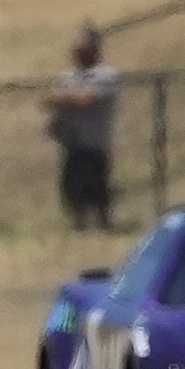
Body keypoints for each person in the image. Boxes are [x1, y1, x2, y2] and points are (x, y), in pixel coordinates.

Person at [43, 26, 117, 231]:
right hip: (71, 143)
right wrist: (70, 98)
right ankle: (79, 227)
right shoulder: (69, 76)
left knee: (96, 187)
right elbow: (48, 99)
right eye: (75, 50)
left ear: (95, 50)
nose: (77, 54)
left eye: (82, 50)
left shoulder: (105, 75)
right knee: (73, 187)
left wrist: (65, 98)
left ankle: (104, 226)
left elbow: (87, 101)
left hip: (93, 143)